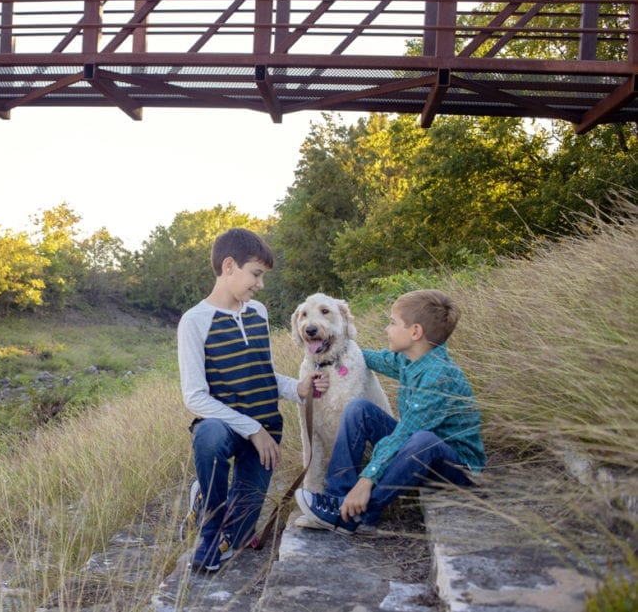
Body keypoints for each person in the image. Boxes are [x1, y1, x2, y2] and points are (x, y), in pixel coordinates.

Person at [294, 288, 486, 535]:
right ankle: (336, 496)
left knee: (423, 440)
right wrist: (333, 355)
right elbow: (366, 357)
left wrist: (366, 480)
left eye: (393, 323)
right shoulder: (410, 359)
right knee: (358, 409)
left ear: (415, 332)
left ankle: (357, 513)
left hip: (455, 469)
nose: (387, 329)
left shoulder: (439, 377)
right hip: (416, 450)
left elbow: (405, 435)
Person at [178, 228, 312, 572]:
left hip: (264, 432)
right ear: (228, 266)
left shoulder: (259, 313)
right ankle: (208, 527)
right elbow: (195, 397)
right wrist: (252, 429)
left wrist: (297, 388)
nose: (260, 284)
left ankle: (207, 504)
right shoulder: (194, 322)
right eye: (256, 274)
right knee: (209, 436)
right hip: (227, 429)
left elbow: (264, 374)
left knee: (238, 539)